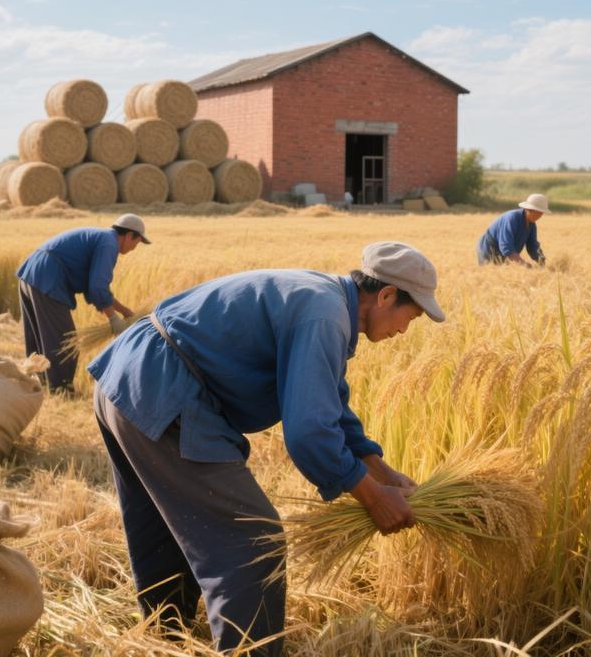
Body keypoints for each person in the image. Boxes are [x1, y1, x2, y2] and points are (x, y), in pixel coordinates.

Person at [88, 241, 444, 656]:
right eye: (411, 316)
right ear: (385, 295)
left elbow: (330, 407)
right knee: (253, 540)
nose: (405, 330)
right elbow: (310, 431)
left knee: (167, 523)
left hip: (128, 380)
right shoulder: (324, 315)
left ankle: (163, 639)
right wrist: (371, 497)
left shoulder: (324, 298)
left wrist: (385, 475)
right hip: (165, 391)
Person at [16, 214, 147, 393]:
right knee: (64, 343)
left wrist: (124, 311)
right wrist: (113, 319)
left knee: (40, 338)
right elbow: (98, 286)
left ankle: (38, 384)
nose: (134, 248)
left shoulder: (102, 238)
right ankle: (61, 389)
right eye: (137, 242)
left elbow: (94, 287)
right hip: (49, 277)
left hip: (32, 273)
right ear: (129, 235)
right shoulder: (109, 244)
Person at [477, 194, 549, 267]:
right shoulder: (512, 218)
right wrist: (523, 264)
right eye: (539, 213)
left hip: (504, 253)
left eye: (541, 213)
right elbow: (506, 246)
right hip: (489, 249)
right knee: (491, 273)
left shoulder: (532, 225)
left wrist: (542, 262)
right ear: (529, 210)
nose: (540, 216)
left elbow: (532, 246)